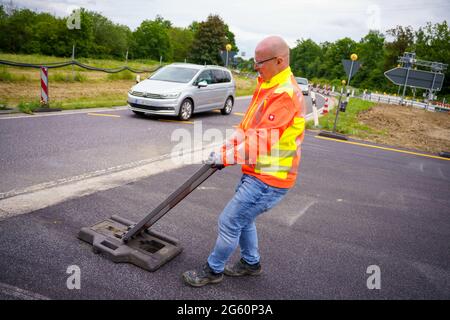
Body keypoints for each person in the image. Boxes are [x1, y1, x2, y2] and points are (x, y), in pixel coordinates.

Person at [182, 35, 306, 287]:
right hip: (257, 172)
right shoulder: (268, 84)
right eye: (255, 61)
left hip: (271, 178)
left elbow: (260, 141)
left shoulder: (284, 94)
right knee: (243, 219)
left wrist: (226, 158)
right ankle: (251, 264)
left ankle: (213, 270)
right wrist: (224, 149)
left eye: (260, 62)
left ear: (279, 60)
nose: (255, 67)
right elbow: (247, 128)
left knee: (230, 220)